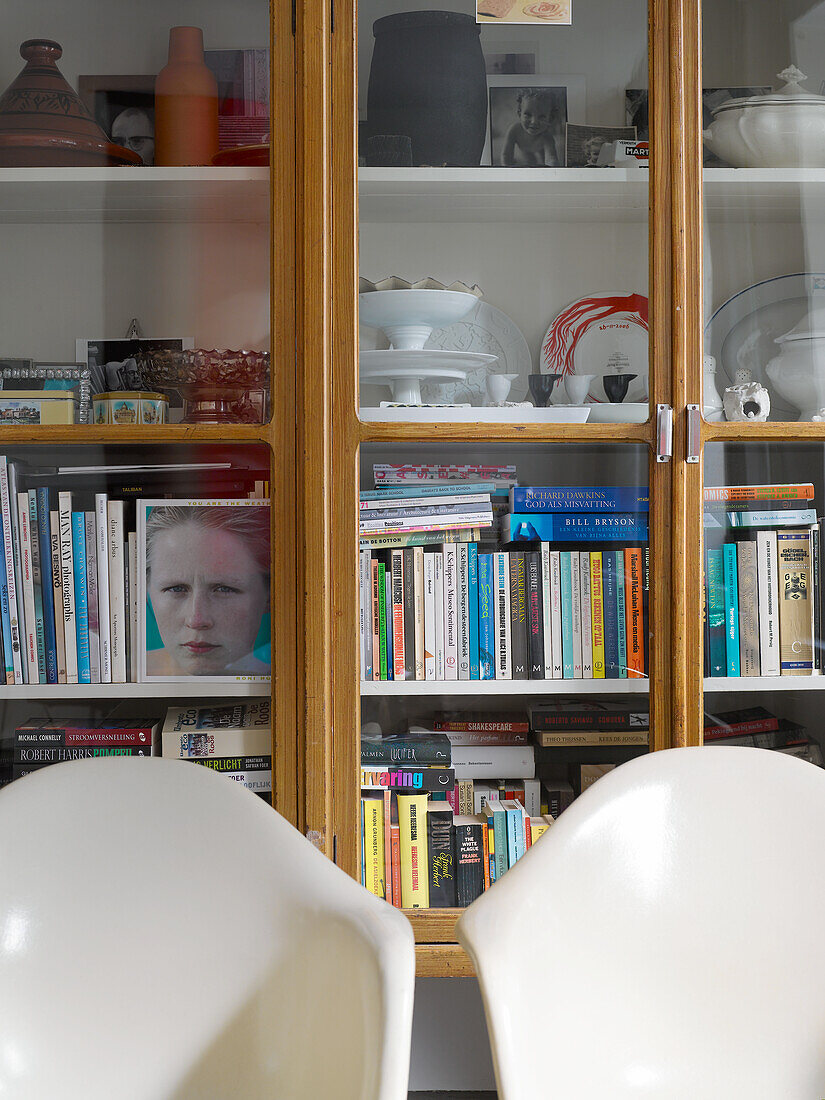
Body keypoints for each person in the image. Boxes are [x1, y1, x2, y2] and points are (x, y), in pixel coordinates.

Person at [145, 504, 270, 677]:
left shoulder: (294, 688)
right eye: (176, 588)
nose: (197, 620)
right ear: (144, 588)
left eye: (224, 589)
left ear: (270, 595)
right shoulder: (121, 681)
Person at [501, 89, 560, 167]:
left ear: (550, 118)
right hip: (524, 149)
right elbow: (506, 155)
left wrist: (553, 170)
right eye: (528, 115)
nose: (534, 122)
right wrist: (506, 169)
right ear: (519, 114)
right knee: (529, 161)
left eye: (541, 117)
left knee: (543, 163)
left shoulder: (547, 137)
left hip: (540, 148)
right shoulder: (514, 130)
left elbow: (551, 158)